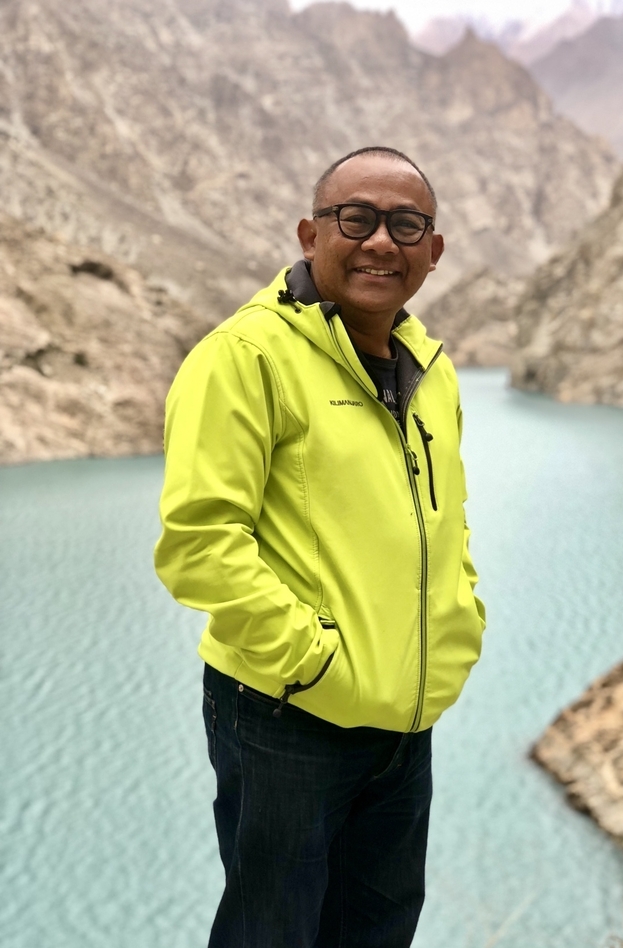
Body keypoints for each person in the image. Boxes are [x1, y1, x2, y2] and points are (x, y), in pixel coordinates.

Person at [154, 145, 486, 948]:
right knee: (274, 933)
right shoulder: (245, 357)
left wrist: (457, 629)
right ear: (310, 235)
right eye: (356, 218)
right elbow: (199, 544)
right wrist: (312, 661)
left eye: (406, 225)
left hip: (404, 719)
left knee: (378, 929)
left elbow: (445, 524)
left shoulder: (429, 369)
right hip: (285, 714)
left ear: (433, 252)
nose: (381, 241)